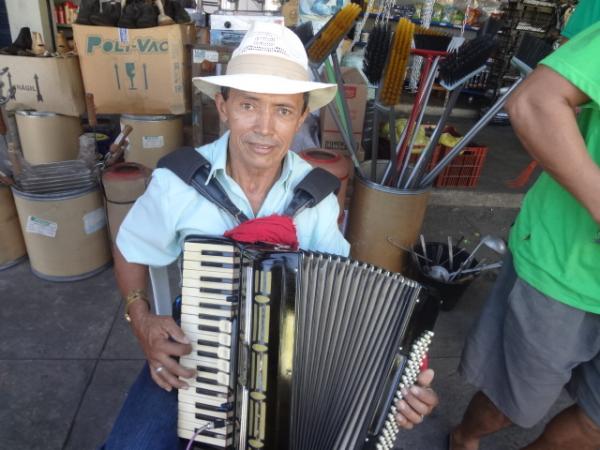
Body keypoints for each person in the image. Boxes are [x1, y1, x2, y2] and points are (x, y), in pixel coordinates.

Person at [103, 22, 438, 449]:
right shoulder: (178, 181)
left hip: (292, 352)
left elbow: (346, 300)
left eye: (282, 110)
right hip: (199, 347)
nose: (264, 128)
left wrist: (398, 381)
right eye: (248, 105)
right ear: (222, 106)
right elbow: (130, 250)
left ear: (302, 116)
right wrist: (143, 320)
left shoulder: (315, 196)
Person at [450, 22, 600, 450]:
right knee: (508, 404)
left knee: (595, 422)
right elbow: (536, 101)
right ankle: (463, 437)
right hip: (565, 267)